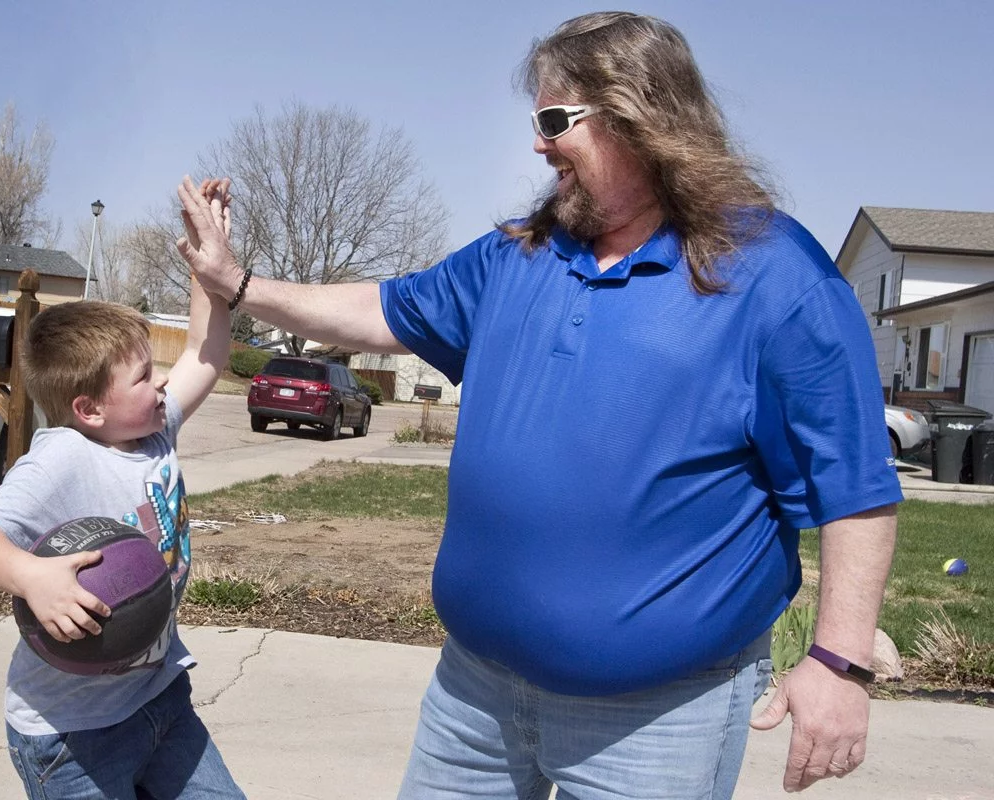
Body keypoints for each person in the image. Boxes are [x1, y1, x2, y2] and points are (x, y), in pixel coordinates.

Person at [178, 12, 900, 799]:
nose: (538, 143)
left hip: (657, 717)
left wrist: (838, 663)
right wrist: (237, 285)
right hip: (474, 694)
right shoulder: (521, 253)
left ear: (638, 117)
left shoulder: (774, 276)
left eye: (556, 120)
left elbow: (854, 488)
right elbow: (377, 311)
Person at [0, 180, 247, 799]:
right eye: (143, 376)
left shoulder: (155, 426)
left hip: (161, 699)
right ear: (88, 408)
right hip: (73, 734)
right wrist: (34, 577)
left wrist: (206, 257)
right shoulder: (63, 458)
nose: (162, 381)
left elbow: (204, 350)